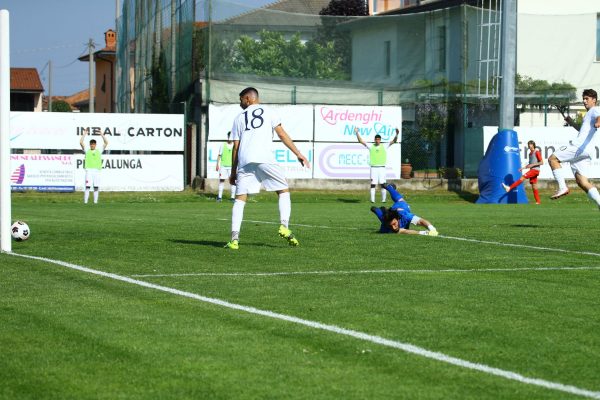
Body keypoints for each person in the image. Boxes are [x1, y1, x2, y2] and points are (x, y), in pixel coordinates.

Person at [225, 87, 311, 250]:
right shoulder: (269, 111)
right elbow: (282, 134)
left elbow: (236, 147)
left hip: (245, 160)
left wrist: (233, 171)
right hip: (265, 157)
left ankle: (234, 240)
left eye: (241, 99)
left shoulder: (238, 118)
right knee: (283, 191)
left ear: (249, 99)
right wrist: (298, 153)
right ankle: (284, 226)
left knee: (240, 199)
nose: (240, 102)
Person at [548, 88, 600, 209]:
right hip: (586, 151)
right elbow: (583, 131)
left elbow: (599, 117)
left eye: (587, 99)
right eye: (584, 99)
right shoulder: (588, 115)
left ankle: (562, 187)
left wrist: (598, 122)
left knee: (553, 159)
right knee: (582, 181)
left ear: (594, 100)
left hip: (579, 147)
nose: (584, 101)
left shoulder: (594, 110)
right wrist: (571, 122)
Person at [370, 183, 438, 236]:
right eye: (391, 226)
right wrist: (423, 233)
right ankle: (391, 189)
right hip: (391, 213)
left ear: (397, 218)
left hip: (402, 208)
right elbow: (405, 231)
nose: (394, 228)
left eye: (394, 224)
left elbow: (421, 221)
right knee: (380, 214)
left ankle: (389, 188)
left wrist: (432, 229)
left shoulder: (405, 216)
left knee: (400, 201)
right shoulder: (385, 226)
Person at [355, 127, 399, 203]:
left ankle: (383, 200)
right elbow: (360, 141)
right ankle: (372, 200)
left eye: (379, 139)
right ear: (375, 139)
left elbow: (394, 141)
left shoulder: (384, 146)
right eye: (376, 139)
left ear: (380, 140)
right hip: (373, 168)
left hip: (382, 168)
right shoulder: (371, 146)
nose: (377, 140)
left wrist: (397, 134)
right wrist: (357, 133)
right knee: (373, 184)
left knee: (383, 184)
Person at [501, 140, 543, 204]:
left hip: (535, 170)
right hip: (532, 170)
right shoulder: (530, 154)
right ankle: (538, 202)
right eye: (529, 145)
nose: (529, 146)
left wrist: (533, 165)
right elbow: (530, 164)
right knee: (534, 186)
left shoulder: (537, 152)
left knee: (522, 177)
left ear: (533, 145)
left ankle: (509, 188)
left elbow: (542, 162)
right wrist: (523, 168)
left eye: (531, 144)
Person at [79, 128, 108, 204]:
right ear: (90, 145)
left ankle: (95, 202)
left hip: (97, 171)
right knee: (88, 187)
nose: (92, 145)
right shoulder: (87, 150)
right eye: (91, 144)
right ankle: (85, 202)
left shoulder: (99, 151)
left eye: (93, 144)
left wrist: (101, 134)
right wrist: (84, 133)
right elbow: (81, 142)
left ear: (95, 145)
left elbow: (106, 142)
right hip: (89, 171)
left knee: (96, 187)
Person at [216, 131, 236, 202]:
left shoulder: (235, 145)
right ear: (227, 137)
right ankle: (219, 197)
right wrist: (217, 164)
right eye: (229, 136)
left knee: (232, 181)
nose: (230, 138)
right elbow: (219, 155)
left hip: (232, 167)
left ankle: (233, 197)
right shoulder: (223, 145)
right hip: (223, 166)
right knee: (221, 180)